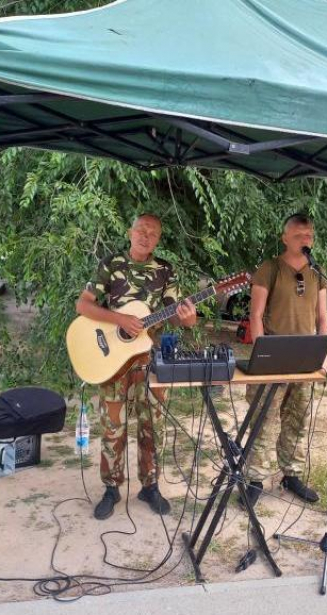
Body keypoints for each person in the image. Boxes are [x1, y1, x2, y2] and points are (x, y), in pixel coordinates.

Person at [76, 213, 197, 520]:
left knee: (153, 425)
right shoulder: (111, 264)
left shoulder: (165, 271)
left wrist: (187, 318)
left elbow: (175, 314)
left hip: (148, 359)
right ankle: (111, 488)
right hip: (112, 359)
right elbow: (83, 304)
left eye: (153, 233)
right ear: (130, 232)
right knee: (113, 426)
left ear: (157, 240)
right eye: (141, 230)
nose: (146, 236)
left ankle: (150, 485)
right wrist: (120, 319)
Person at [244, 213, 327, 507]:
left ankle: (291, 474)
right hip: (275, 354)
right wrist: (261, 355)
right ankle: (254, 478)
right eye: (298, 236)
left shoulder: (318, 271)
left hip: (306, 357)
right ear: (285, 238)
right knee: (263, 421)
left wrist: (324, 355)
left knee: (298, 420)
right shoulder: (270, 268)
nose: (305, 240)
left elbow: (322, 318)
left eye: (309, 236)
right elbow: (255, 315)